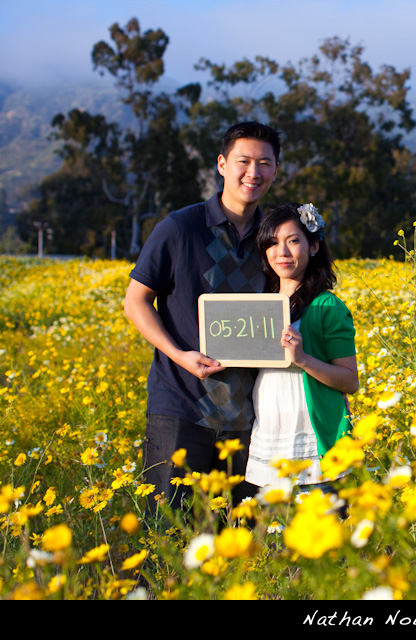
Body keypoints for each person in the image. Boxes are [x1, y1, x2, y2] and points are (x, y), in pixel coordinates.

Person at [124, 121, 281, 519]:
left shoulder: (275, 238)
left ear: (275, 170)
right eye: (244, 161)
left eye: (264, 163)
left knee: (240, 547)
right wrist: (179, 355)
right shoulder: (180, 228)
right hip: (181, 406)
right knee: (170, 536)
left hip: (249, 418)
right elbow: (136, 301)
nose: (254, 172)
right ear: (222, 164)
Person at [244, 202, 359, 492]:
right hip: (269, 438)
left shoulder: (327, 307)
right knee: (272, 536)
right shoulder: (258, 306)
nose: (281, 252)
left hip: (314, 442)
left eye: (293, 241)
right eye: (272, 243)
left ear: (314, 246)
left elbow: (350, 380)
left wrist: (303, 359)